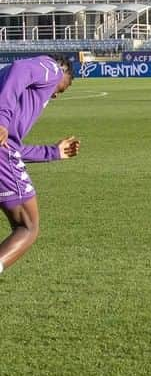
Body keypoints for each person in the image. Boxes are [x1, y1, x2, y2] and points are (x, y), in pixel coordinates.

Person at [0, 55, 79, 275]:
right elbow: (21, 69)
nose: (54, 95)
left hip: (5, 151)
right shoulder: (51, 68)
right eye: (61, 90)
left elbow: (12, 147)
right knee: (28, 227)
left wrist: (52, 152)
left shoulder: (7, 82)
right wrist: (2, 119)